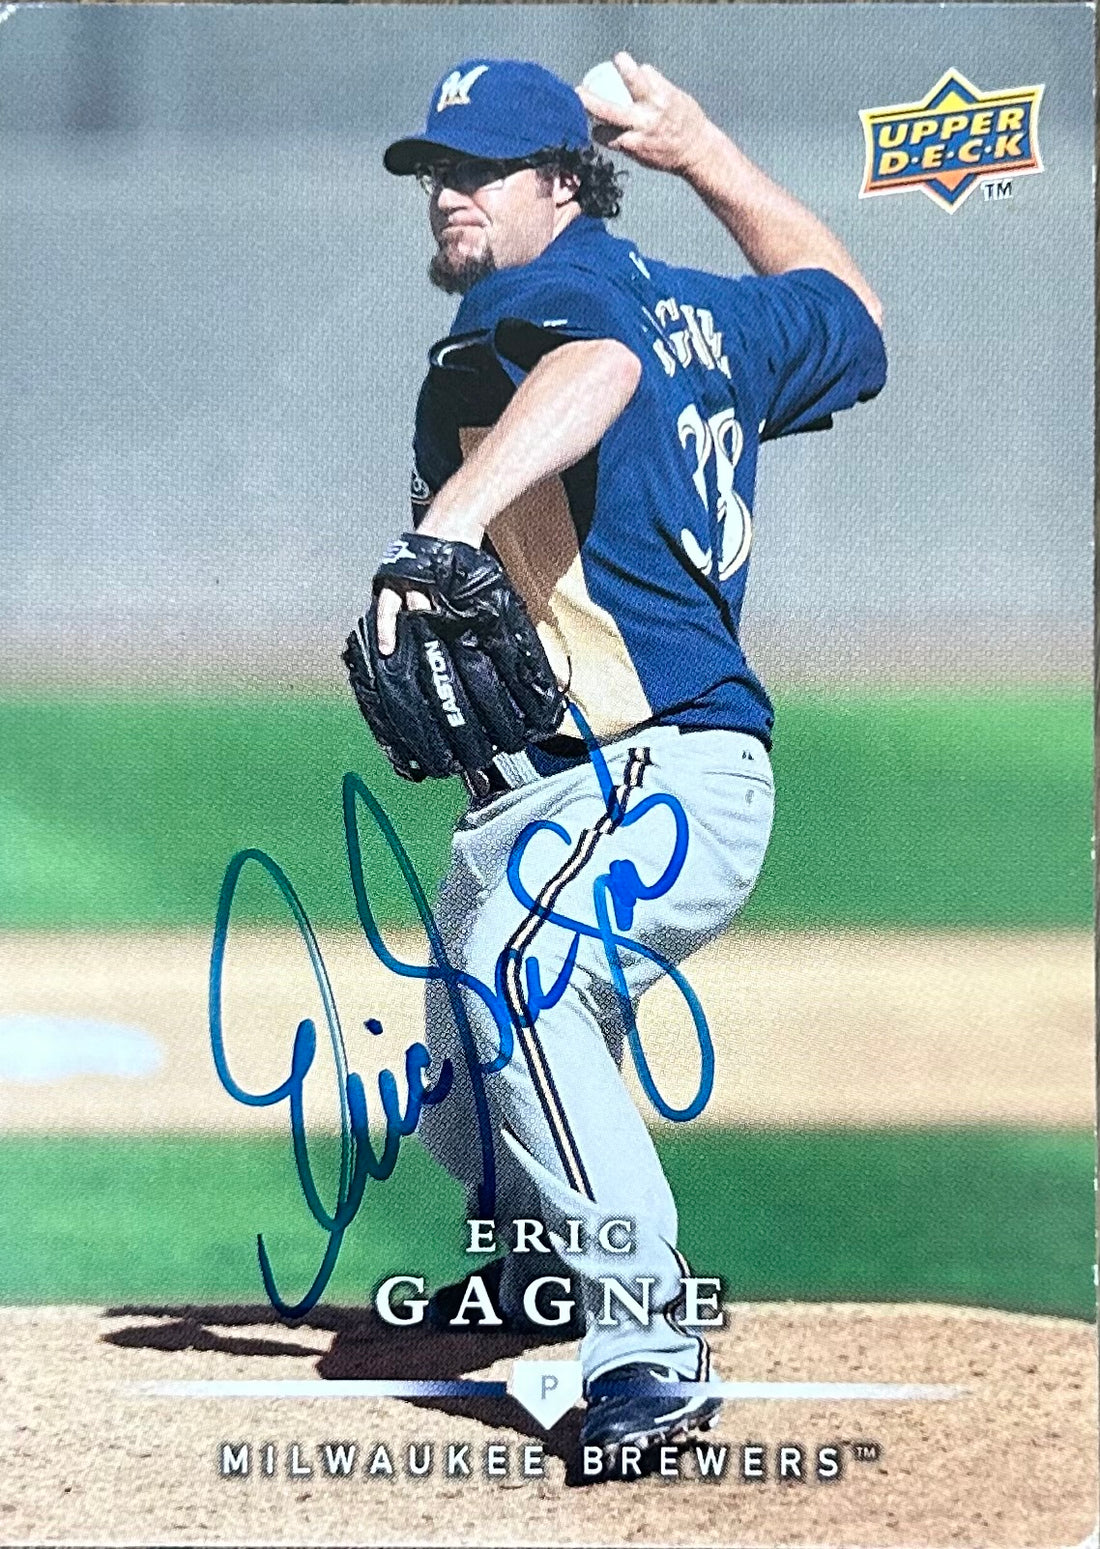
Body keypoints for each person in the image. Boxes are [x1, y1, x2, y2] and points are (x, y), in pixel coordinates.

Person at [370, 52, 885, 1475]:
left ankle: (648, 1342)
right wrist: (707, 150)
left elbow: (596, 368)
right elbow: (851, 309)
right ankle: (541, 1264)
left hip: (658, 771)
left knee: (526, 979)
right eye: (436, 171)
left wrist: (449, 524)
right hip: (561, 787)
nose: (451, 194)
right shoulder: (708, 311)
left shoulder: (551, 296)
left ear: (562, 182)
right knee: (467, 1075)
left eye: (482, 170)